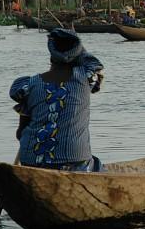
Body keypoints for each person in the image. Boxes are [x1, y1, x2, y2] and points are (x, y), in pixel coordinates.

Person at [9, 29, 105, 172]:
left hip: (31, 161)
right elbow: (93, 63)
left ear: (51, 57)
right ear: (77, 56)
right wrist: (78, 47)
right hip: (73, 161)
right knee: (97, 167)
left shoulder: (29, 85)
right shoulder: (84, 78)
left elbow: (20, 133)